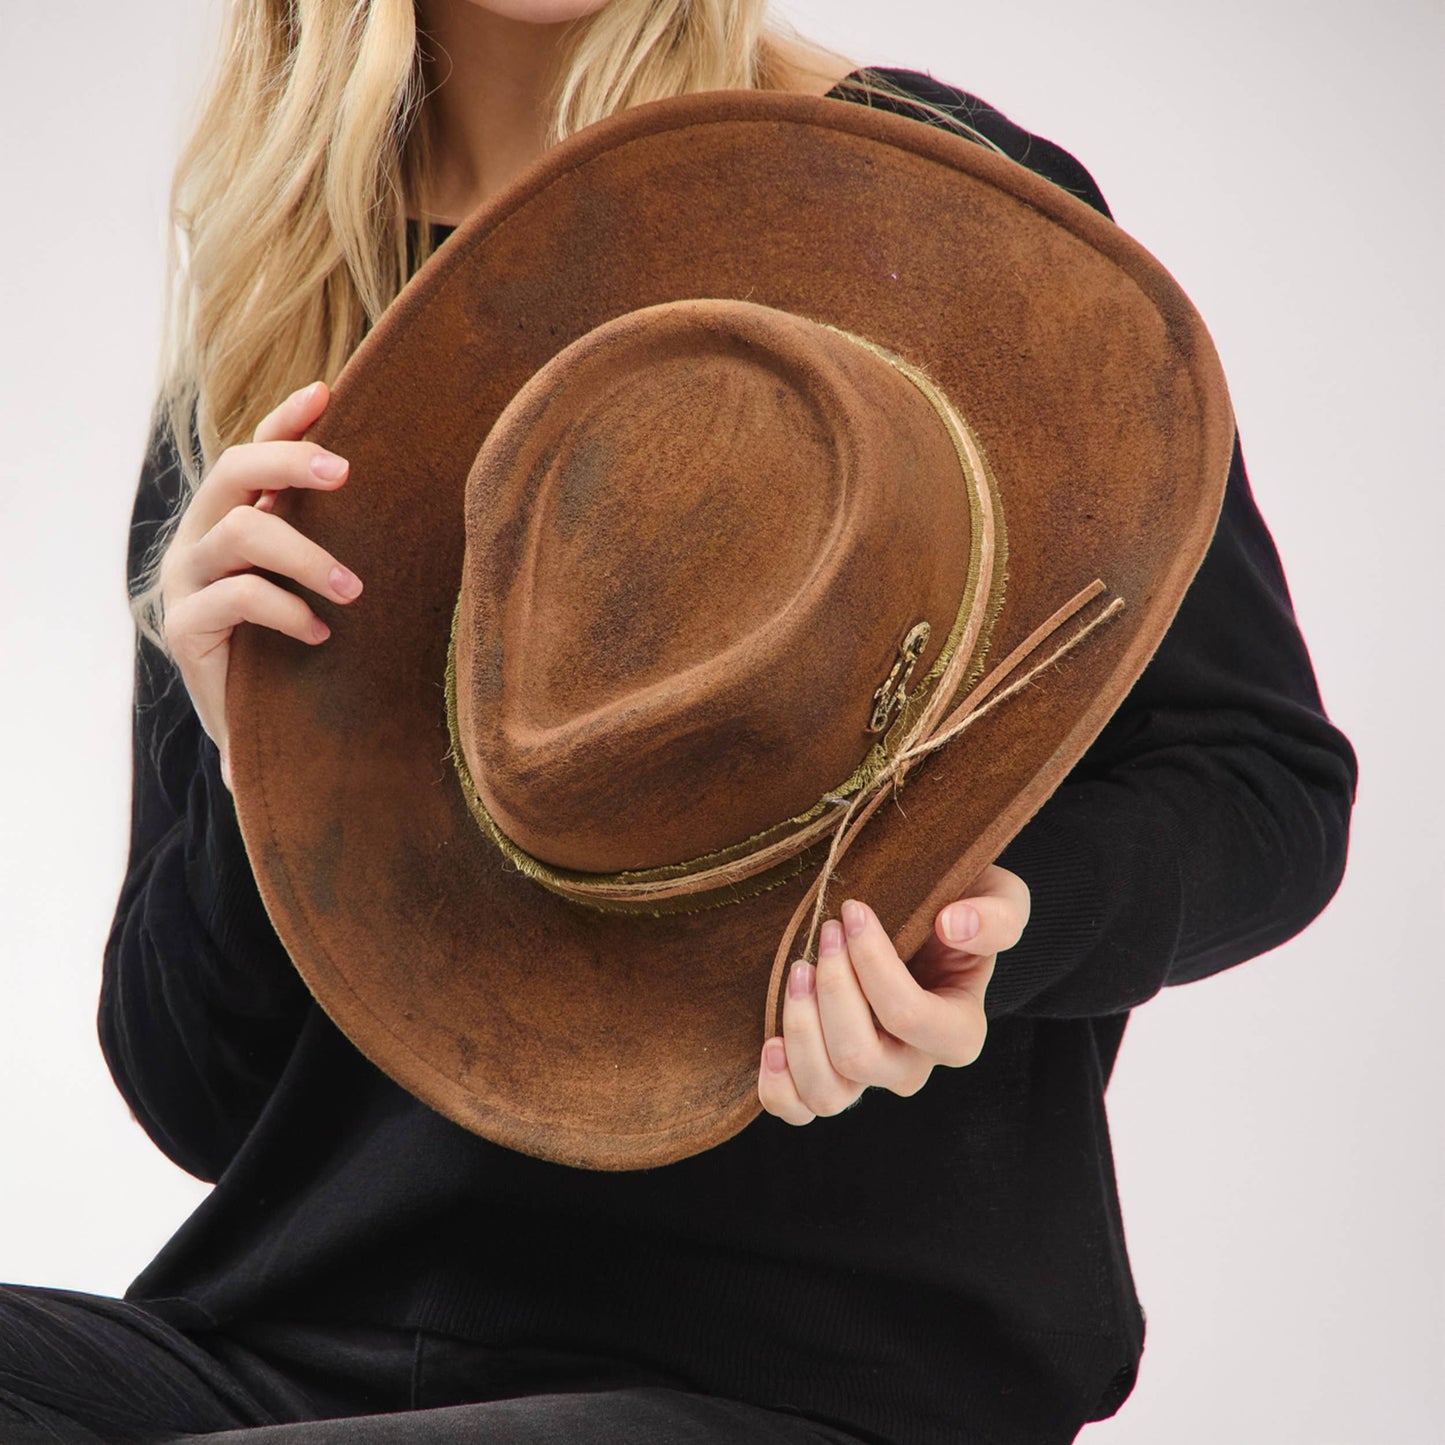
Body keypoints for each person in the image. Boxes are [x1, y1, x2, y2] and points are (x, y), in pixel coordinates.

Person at [0, 2, 1357, 1442]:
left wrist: (984, 924)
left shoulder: (919, 194)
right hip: (300, 1344)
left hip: (799, 1368)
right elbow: (203, 1103)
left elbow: (1262, 787)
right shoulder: (289, 305)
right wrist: (250, 759)